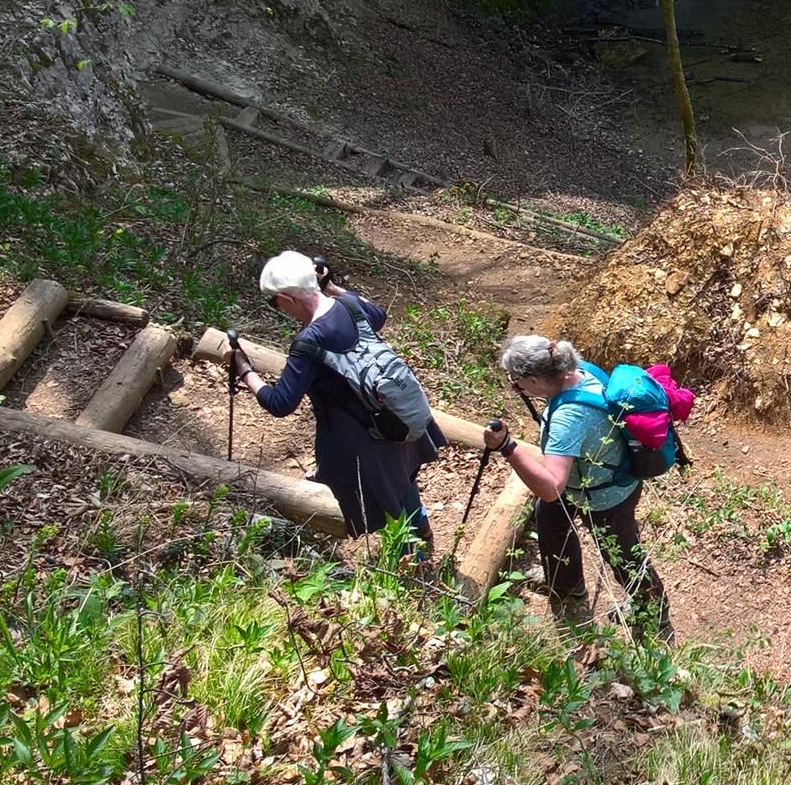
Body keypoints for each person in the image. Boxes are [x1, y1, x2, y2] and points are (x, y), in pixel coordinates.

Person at [230, 251, 444, 549]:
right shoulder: (348, 304)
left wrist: (244, 369)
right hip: (394, 418)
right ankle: (423, 537)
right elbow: (378, 314)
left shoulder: (309, 342)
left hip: (359, 440)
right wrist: (330, 287)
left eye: (273, 301)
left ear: (288, 298)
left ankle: (410, 562)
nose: (276, 308)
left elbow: (280, 403)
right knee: (403, 482)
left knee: (386, 502)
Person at [484, 335, 671, 641]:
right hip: (589, 477)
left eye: (517, 383)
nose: (517, 389)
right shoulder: (578, 369)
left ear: (534, 379)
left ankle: (653, 612)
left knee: (623, 555)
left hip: (605, 496)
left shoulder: (568, 418)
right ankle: (565, 586)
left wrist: (507, 447)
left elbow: (551, 487)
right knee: (550, 518)